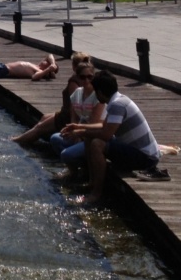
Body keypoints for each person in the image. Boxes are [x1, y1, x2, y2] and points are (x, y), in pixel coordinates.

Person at [60, 70, 164, 203]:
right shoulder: (117, 100)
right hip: (137, 151)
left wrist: (81, 132)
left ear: (101, 92)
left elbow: (106, 134)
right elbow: (104, 126)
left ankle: (96, 193)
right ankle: (91, 182)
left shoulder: (117, 105)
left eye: (96, 91)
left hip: (145, 158)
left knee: (97, 144)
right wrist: (79, 127)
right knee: (89, 137)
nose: (95, 95)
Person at [11, 51, 92, 146]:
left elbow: (74, 107)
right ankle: (40, 139)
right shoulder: (89, 78)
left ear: (74, 66)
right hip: (64, 112)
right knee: (44, 117)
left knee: (39, 128)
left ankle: (17, 141)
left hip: (66, 117)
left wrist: (74, 129)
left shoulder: (74, 81)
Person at [48, 62, 105, 178]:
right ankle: (74, 170)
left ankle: (82, 169)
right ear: (78, 77)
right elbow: (73, 117)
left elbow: (95, 123)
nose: (87, 80)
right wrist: (71, 132)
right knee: (55, 138)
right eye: (83, 77)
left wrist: (79, 135)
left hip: (91, 137)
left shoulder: (97, 96)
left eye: (90, 77)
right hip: (78, 132)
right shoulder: (77, 93)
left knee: (66, 154)